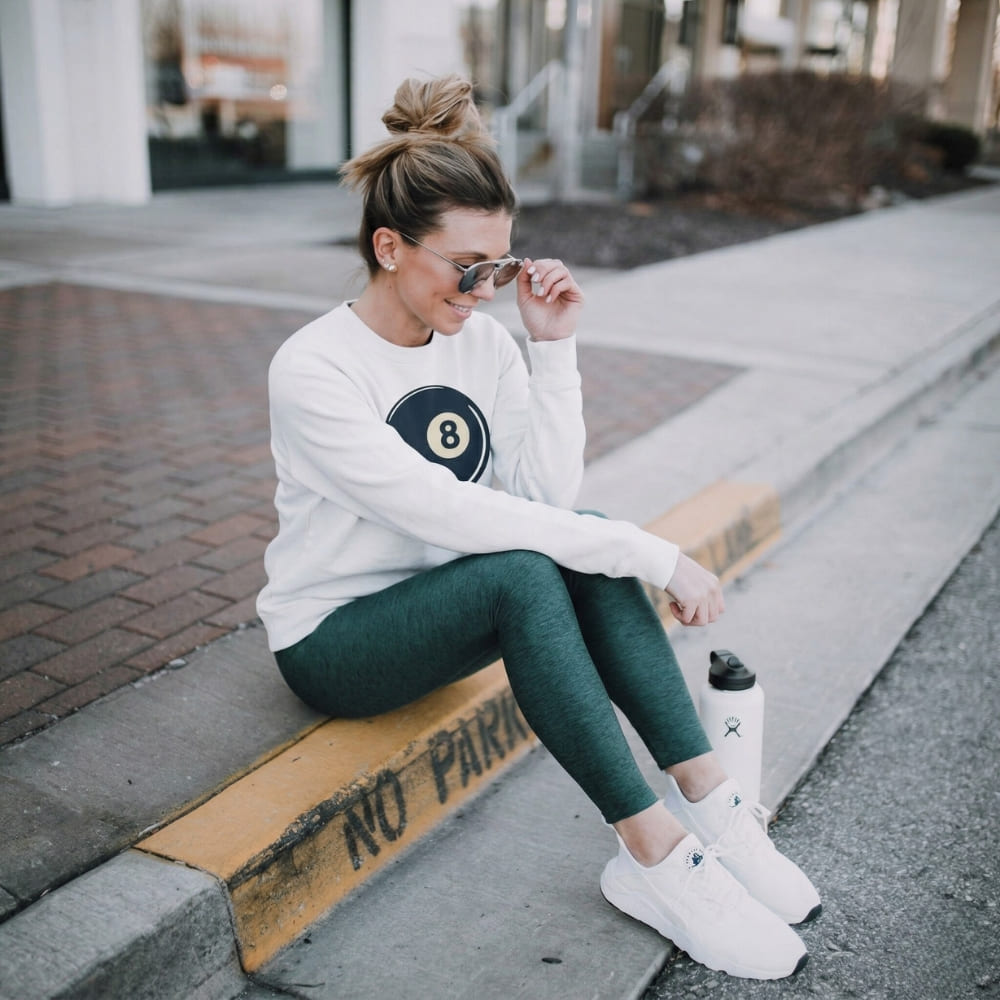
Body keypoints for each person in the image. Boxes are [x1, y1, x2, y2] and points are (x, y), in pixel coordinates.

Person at [257, 74, 820, 981]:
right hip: (338, 641)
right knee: (532, 566)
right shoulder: (316, 368)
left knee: (570, 536)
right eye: (465, 267)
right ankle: (655, 860)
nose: (484, 289)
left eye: (500, 266)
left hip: (451, 605)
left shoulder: (482, 345)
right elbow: (442, 510)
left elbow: (548, 502)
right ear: (390, 247)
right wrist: (653, 553)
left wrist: (551, 349)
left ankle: (713, 806)